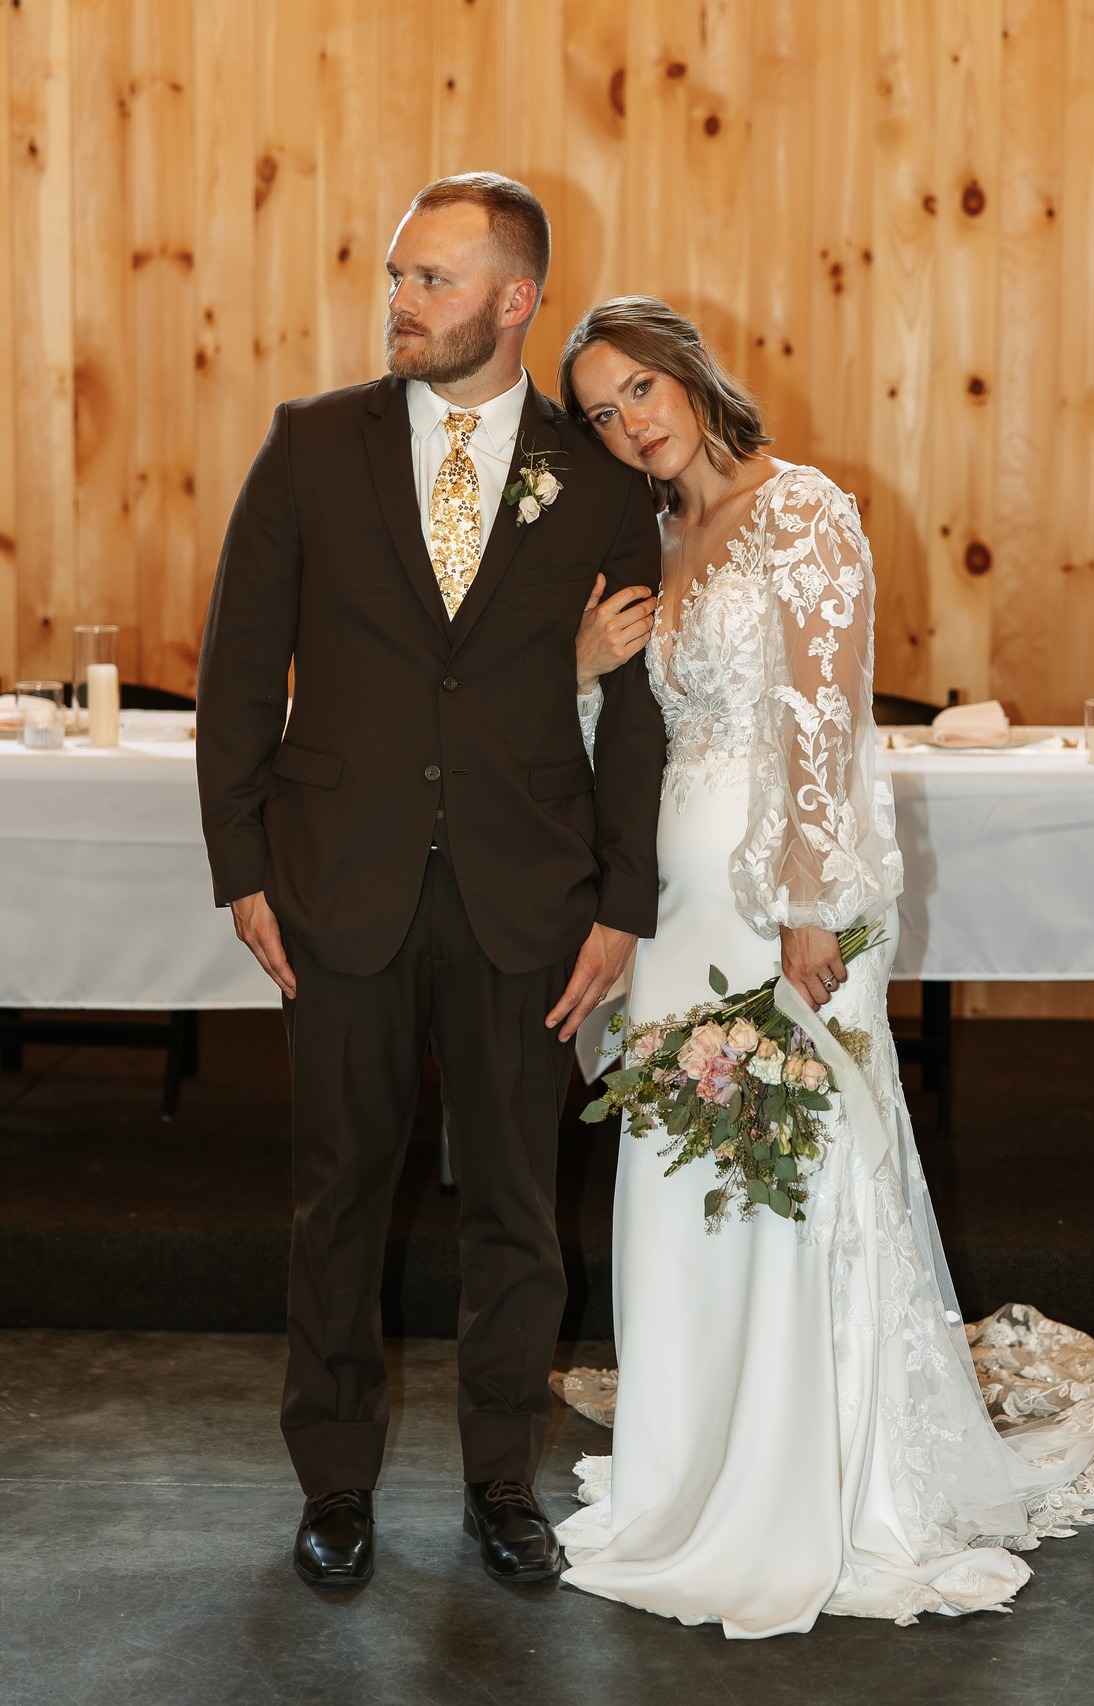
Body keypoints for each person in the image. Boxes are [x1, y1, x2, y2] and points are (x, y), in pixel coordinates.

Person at [553, 297, 1094, 1638]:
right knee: (681, 1170)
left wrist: (810, 907)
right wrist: (587, 670)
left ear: (689, 373)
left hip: (775, 899)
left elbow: (824, 723)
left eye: (639, 389)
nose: (630, 423)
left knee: (793, 1168)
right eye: (602, 413)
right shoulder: (649, 540)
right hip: (669, 907)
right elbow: (637, 739)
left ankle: (808, 1480)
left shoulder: (803, 512)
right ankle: (694, 1465)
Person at [196, 178, 666, 1591]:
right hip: (337, 881)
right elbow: (237, 669)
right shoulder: (310, 444)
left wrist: (622, 902)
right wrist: (241, 868)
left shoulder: (597, 480)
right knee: (337, 1195)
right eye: (397, 275)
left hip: (530, 895)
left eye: (433, 280)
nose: (399, 300)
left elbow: (633, 708)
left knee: (519, 1205)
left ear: (515, 301)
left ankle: (501, 1482)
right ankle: (333, 1482)